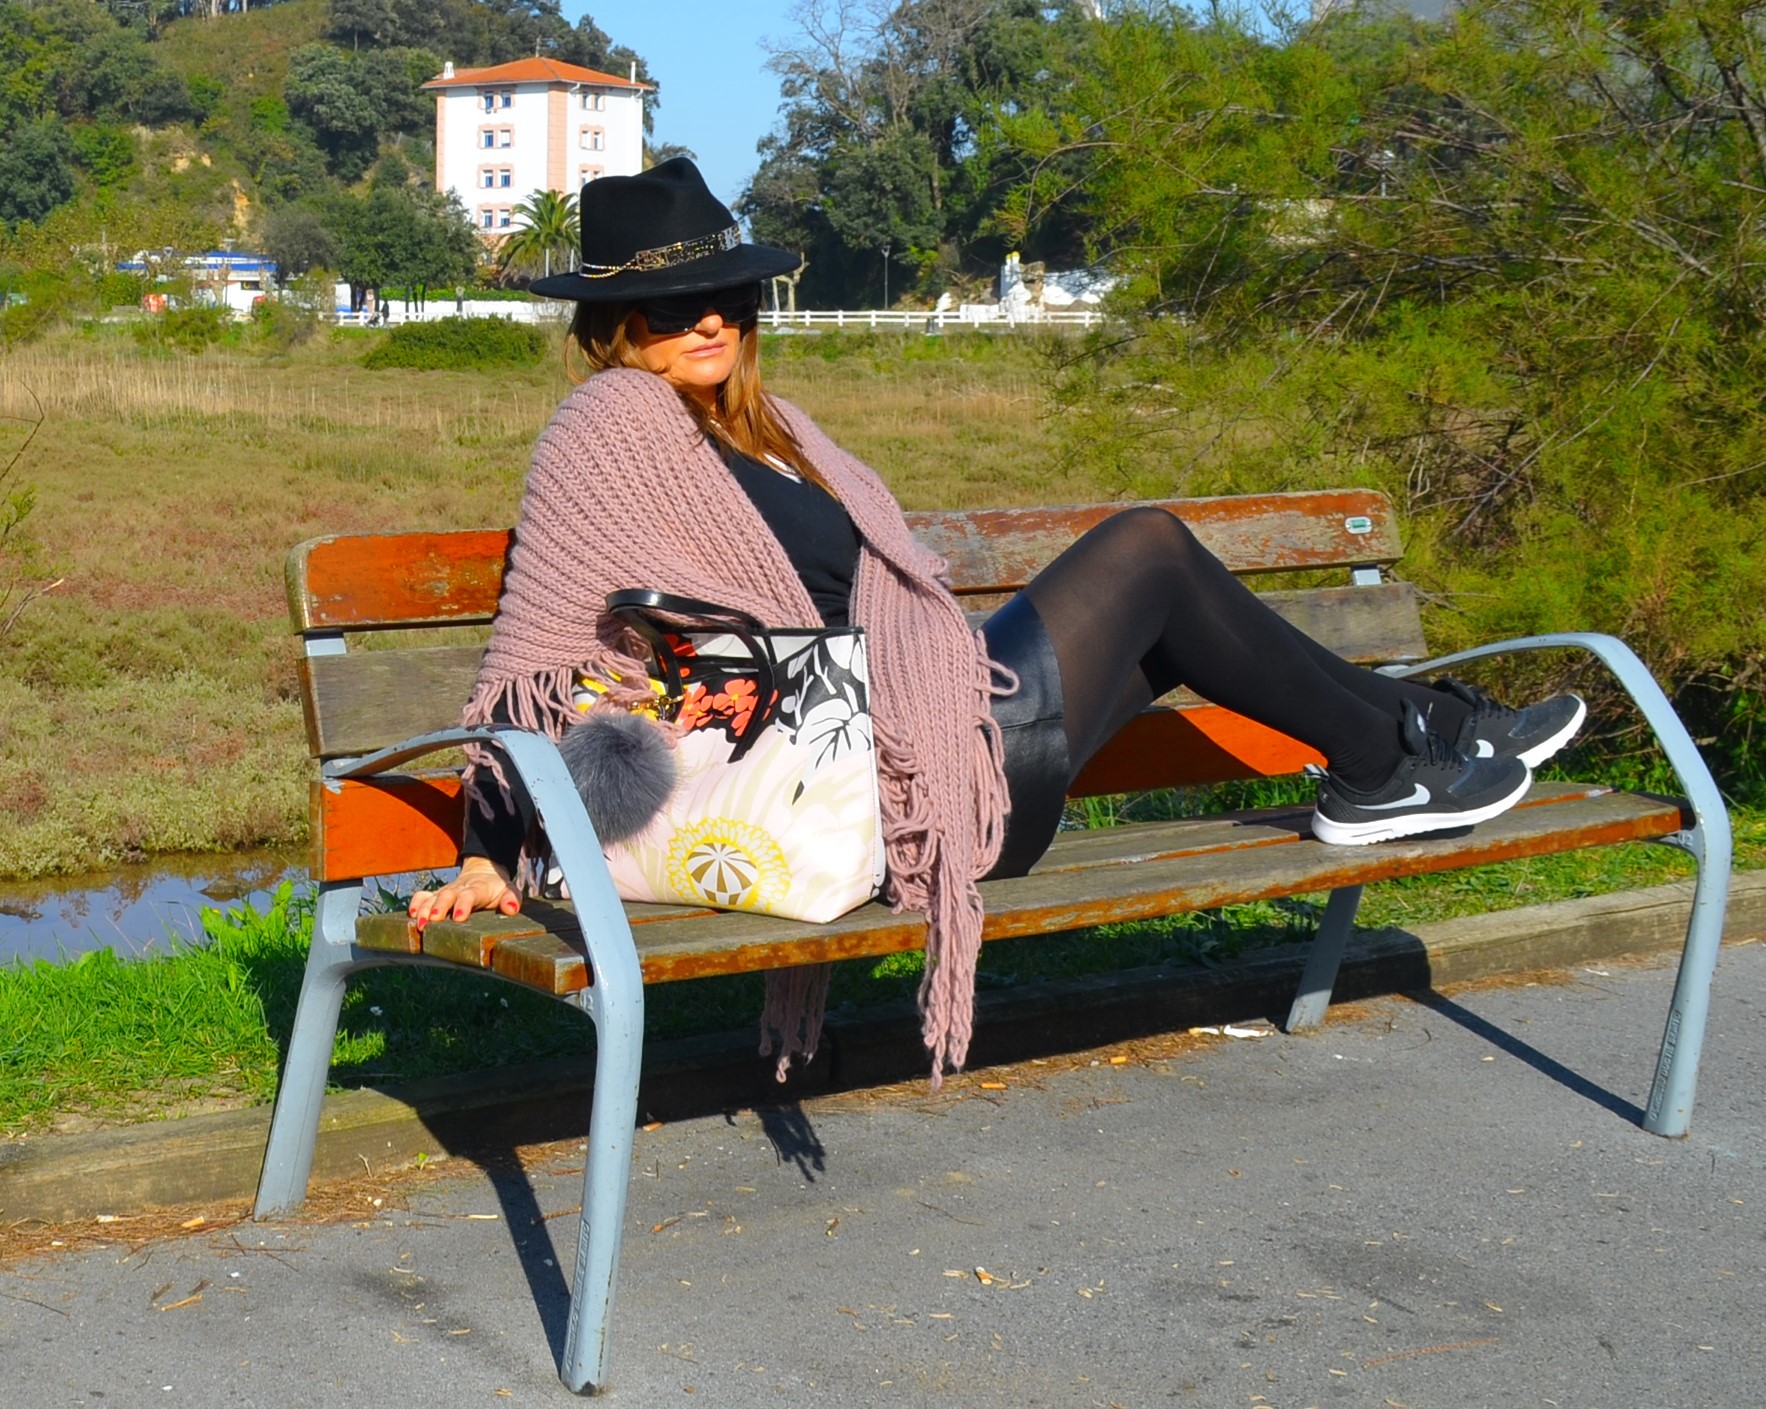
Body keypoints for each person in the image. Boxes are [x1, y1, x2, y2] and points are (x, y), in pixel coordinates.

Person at [410, 159, 1584, 1077]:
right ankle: (1392, 756)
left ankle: (1419, 733)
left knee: (1162, 600)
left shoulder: (761, 427)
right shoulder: (611, 427)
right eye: (672, 307)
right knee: (1147, 548)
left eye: (724, 295)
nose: (708, 322)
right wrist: (485, 848)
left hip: (929, 748)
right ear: (613, 323)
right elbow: (533, 660)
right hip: (898, 785)